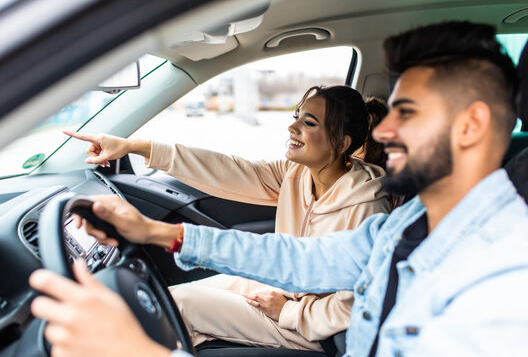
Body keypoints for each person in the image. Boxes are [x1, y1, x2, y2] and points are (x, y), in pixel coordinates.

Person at [30, 20, 528, 357]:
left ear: (470, 126)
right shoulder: (407, 222)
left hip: (311, 328)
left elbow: (338, 301)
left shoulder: (504, 286)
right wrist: (160, 233)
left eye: (408, 113)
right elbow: (302, 259)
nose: (384, 132)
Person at [64, 87, 390, 351]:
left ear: (342, 143)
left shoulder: (367, 208)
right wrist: (134, 147)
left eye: (309, 122)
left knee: (183, 306)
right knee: (168, 298)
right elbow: (229, 170)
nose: (292, 127)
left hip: (319, 329)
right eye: (296, 117)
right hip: (285, 288)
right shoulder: (298, 173)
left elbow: (351, 309)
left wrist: (288, 311)